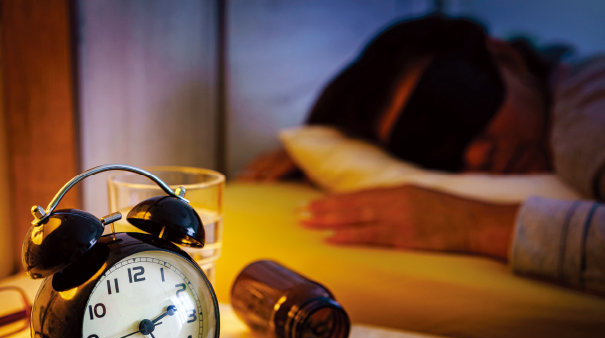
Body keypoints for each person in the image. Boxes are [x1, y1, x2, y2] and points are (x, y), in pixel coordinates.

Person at [240, 14, 605, 294]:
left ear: (506, 56)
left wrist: (470, 224)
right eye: (433, 149)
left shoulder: (587, 116)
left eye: (467, 108)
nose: (476, 156)